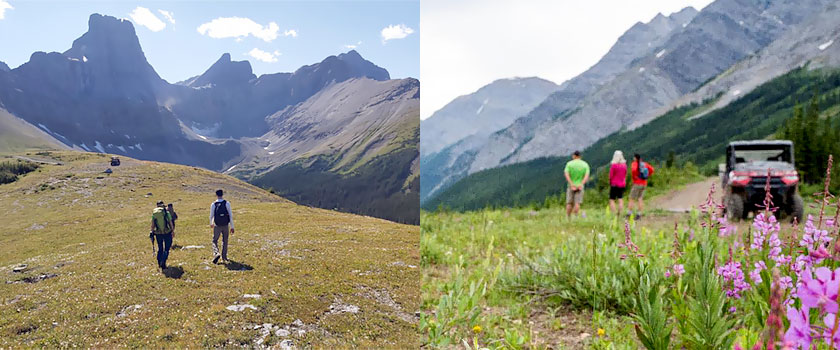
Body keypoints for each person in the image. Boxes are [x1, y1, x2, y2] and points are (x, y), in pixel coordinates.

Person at [210, 189, 234, 264]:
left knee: (214, 240)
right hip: (225, 225)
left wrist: (211, 223)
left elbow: (211, 215)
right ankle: (224, 257)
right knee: (225, 240)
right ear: (222, 194)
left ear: (216, 195)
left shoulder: (214, 204)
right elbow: (230, 215)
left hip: (217, 225)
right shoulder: (227, 203)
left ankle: (216, 253)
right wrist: (232, 226)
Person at [563, 151, 590, 218]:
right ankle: (576, 217)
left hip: (571, 186)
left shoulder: (569, 164)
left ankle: (568, 217)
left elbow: (566, 174)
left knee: (569, 202)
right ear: (580, 156)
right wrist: (581, 184)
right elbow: (586, 176)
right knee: (577, 203)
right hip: (580, 186)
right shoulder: (585, 164)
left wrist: (571, 184)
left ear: (574, 156)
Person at [629, 153, 655, 220]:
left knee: (632, 198)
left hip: (637, 184)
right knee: (640, 199)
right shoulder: (644, 164)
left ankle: (629, 213)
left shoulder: (634, 164)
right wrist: (647, 176)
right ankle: (639, 214)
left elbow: (633, 170)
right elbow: (652, 169)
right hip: (644, 184)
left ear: (635, 158)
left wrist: (635, 177)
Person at [150, 200, 174, 270]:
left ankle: (159, 262)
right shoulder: (166, 212)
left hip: (158, 233)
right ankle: (163, 262)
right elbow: (170, 222)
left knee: (160, 248)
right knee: (167, 248)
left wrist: (151, 231)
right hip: (167, 232)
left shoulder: (154, 213)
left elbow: (152, 225)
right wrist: (172, 231)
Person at [608, 150, 627, 215]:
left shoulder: (614, 165)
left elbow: (610, 176)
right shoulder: (624, 165)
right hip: (622, 184)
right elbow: (625, 174)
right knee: (620, 198)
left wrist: (610, 182)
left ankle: (614, 213)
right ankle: (620, 213)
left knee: (612, 199)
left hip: (614, 184)